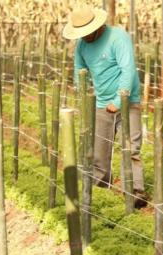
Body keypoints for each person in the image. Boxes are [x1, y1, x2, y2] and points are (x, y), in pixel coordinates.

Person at [63, 6, 147, 208]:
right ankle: (100, 191)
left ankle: (136, 192)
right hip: (101, 104)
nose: (83, 37)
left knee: (131, 148)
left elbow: (128, 71)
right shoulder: (82, 46)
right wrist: (82, 95)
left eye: (86, 32)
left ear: (97, 27)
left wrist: (118, 102)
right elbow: (79, 71)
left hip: (128, 101)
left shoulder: (118, 37)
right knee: (100, 152)